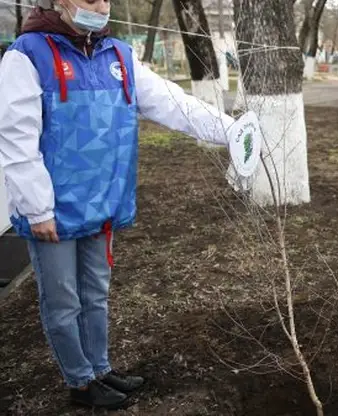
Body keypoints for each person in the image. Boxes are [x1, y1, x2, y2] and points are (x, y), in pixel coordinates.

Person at [0, 1, 248, 410]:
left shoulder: (118, 55)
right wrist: (36, 207)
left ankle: (100, 367)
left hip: (101, 205)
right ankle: (80, 382)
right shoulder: (27, 54)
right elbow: (16, 137)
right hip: (53, 213)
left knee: (95, 293)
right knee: (63, 301)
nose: (99, 5)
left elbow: (174, 104)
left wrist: (232, 131)